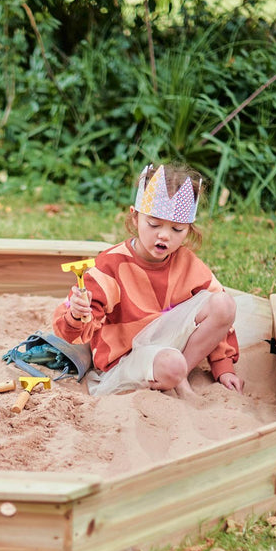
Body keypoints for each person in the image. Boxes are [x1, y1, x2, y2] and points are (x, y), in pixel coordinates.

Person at [52, 163, 243, 397]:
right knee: (171, 364)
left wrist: (224, 366)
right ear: (135, 218)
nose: (164, 235)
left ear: (188, 230)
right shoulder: (111, 265)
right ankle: (176, 373)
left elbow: (220, 313)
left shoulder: (186, 262)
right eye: (154, 224)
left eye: (177, 229)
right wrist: (76, 314)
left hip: (169, 347)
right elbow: (72, 333)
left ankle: (179, 373)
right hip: (127, 359)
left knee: (223, 304)